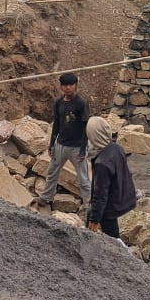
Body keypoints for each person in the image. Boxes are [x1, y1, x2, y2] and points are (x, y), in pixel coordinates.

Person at [34, 72, 92, 210]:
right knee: (52, 172)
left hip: (77, 147)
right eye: (65, 85)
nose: (68, 88)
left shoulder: (81, 103)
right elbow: (57, 124)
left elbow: (86, 126)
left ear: (76, 86)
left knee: (83, 179)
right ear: (61, 87)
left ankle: (90, 206)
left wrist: (83, 149)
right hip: (60, 145)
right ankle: (46, 198)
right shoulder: (58, 102)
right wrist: (51, 144)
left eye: (71, 85)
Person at [85, 115, 137, 238]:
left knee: (113, 237)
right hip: (122, 195)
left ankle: (120, 249)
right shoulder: (116, 148)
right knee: (90, 214)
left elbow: (101, 194)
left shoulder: (101, 163)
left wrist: (95, 220)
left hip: (111, 205)